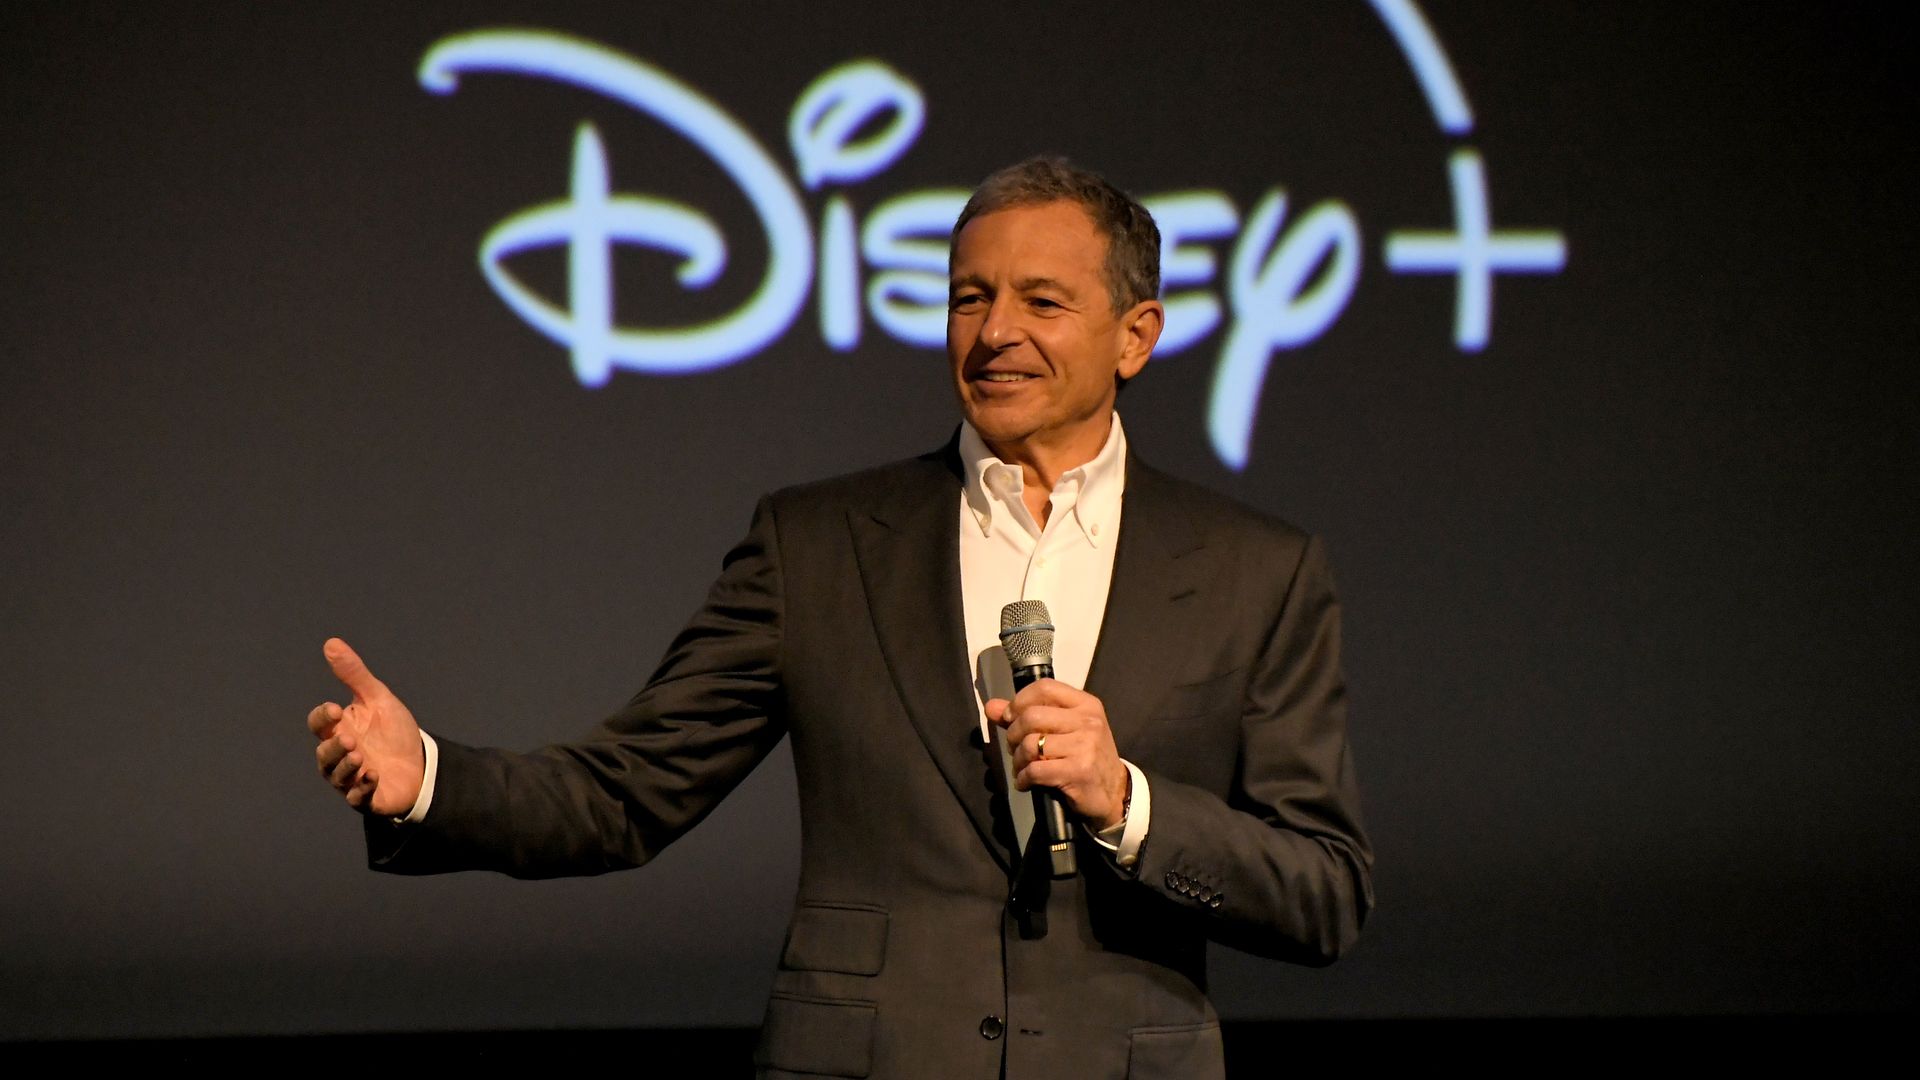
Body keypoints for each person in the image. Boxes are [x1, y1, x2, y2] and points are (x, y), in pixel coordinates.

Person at [309, 157, 1372, 1079]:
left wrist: (1128, 803)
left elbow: (1324, 890)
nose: (995, 332)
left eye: (1042, 302)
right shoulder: (817, 543)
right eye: (969, 298)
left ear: (1136, 337)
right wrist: (430, 779)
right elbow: (627, 792)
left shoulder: (1256, 570)